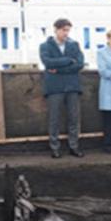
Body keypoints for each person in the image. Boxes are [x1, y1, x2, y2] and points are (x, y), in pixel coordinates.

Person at [39, 18, 85, 159]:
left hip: (71, 86)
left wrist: (58, 70)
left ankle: (74, 146)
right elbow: (47, 62)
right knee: (54, 119)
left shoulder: (74, 45)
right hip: (55, 87)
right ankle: (54, 147)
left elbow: (80, 64)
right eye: (64, 30)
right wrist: (68, 60)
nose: (66, 33)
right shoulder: (45, 46)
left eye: (68, 30)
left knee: (74, 118)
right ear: (56, 29)